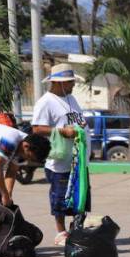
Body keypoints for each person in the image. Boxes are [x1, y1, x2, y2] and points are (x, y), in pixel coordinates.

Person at [31, 63, 88, 245]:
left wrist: (81, 126)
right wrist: (62, 131)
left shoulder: (71, 99)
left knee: (80, 196)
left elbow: (79, 119)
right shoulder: (45, 102)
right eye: (70, 82)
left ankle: (76, 229)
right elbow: (37, 128)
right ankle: (60, 232)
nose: (73, 85)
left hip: (77, 159)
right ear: (59, 83)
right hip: (59, 162)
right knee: (60, 197)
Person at [0, 121, 51, 207]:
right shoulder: (10, 140)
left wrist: (8, 195)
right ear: (26, 146)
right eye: (29, 157)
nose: (27, 160)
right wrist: (4, 195)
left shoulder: (23, 148)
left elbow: (11, 172)